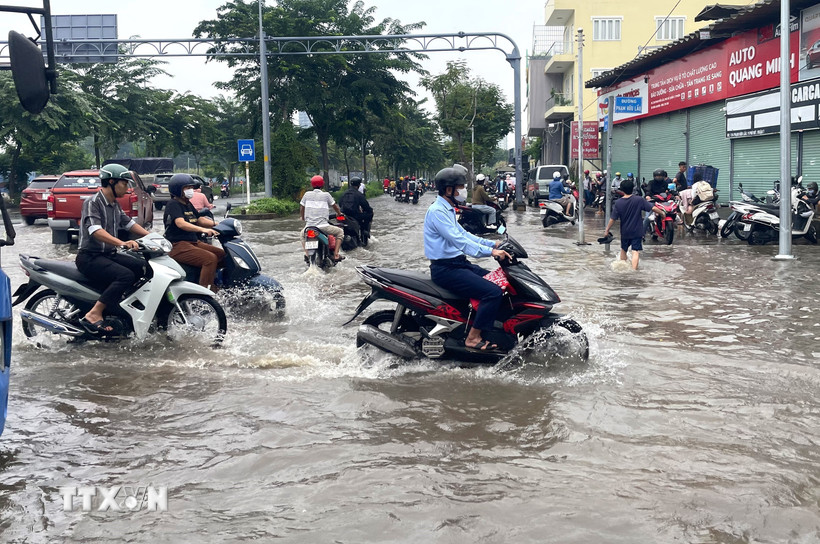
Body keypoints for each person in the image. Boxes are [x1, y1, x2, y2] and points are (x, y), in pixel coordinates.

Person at [424, 166, 512, 352]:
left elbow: (464, 234)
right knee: (492, 292)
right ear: (448, 190)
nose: (462, 191)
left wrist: (491, 245)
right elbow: (459, 241)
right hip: (446, 270)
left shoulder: (447, 209)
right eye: (459, 188)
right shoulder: (437, 212)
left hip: (458, 264)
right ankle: (472, 338)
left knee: (501, 283)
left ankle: (484, 327)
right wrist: (490, 253)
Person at [75, 164, 151, 334]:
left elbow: (129, 223)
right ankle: (95, 313)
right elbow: (95, 231)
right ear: (111, 182)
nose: (127, 187)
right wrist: (121, 243)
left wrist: (153, 237)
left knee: (141, 267)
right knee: (125, 275)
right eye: (124, 183)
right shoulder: (92, 202)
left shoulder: (114, 204)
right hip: (90, 257)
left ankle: (119, 307)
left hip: (108, 255)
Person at [163, 174, 225, 292]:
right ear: (177, 190)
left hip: (193, 242)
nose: (191, 190)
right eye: (187, 188)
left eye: (191, 187)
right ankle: (205, 293)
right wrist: (202, 230)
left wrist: (216, 224)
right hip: (177, 245)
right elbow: (181, 223)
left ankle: (217, 282)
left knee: (223, 255)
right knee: (210, 259)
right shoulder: (173, 204)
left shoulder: (187, 204)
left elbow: (199, 219)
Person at [603, 179, 667, 270]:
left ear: (622, 190)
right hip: (637, 231)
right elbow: (653, 208)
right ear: (632, 189)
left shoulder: (618, 203)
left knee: (623, 250)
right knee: (635, 251)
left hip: (625, 232)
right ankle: (634, 271)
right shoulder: (639, 200)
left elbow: (612, 219)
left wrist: (607, 230)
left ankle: (623, 268)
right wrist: (662, 213)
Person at [300, 175, 344, 263]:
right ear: (322, 185)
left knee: (302, 235)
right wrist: (339, 213)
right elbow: (335, 207)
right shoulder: (326, 195)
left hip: (310, 227)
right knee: (340, 232)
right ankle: (336, 254)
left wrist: (303, 217)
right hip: (323, 226)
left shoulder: (307, 194)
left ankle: (307, 254)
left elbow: (302, 208)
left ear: (312, 185)